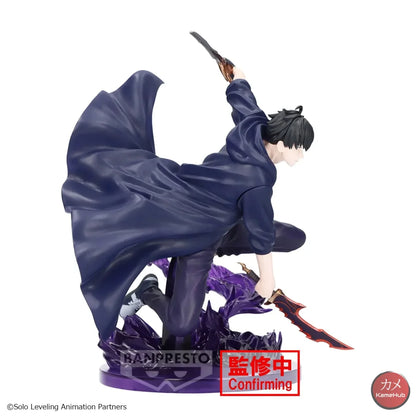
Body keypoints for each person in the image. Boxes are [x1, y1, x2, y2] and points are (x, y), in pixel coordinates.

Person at [62, 67, 314, 340]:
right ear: (281, 143)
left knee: (294, 237)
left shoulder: (253, 126)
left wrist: (236, 77)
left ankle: (223, 243)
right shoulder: (258, 181)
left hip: (223, 220)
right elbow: (261, 232)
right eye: (298, 148)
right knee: (181, 325)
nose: (300, 156)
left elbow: (243, 100)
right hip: (197, 235)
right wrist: (267, 278)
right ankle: (148, 291)